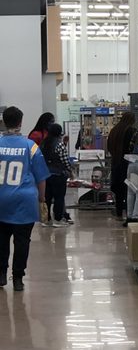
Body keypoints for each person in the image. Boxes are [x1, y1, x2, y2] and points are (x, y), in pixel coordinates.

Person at [0, 106, 50, 291]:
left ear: (4, 121)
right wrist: (42, 199)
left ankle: (1, 274)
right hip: (24, 201)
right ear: (21, 122)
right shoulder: (31, 146)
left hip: (1, 199)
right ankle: (18, 278)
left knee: (1, 240)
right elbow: (41, 178)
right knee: (22, 242)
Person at [40, 123, 73, 227]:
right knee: (59, 197)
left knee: (47, 197)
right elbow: (65, 161)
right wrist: (70, 170)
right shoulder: (59, 144)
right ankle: (58, 220)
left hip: (45, 175)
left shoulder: (43, 143)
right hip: (58, 175)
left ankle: (46, 219)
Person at [107, 112, 136, 220]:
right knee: (128, 190)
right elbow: (131, 147)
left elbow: (109, 146)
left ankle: (119, 213)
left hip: (115, 162)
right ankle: (129, 214)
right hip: (126, 163)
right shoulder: (130, 131)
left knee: (118, 190)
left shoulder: (114, 130)